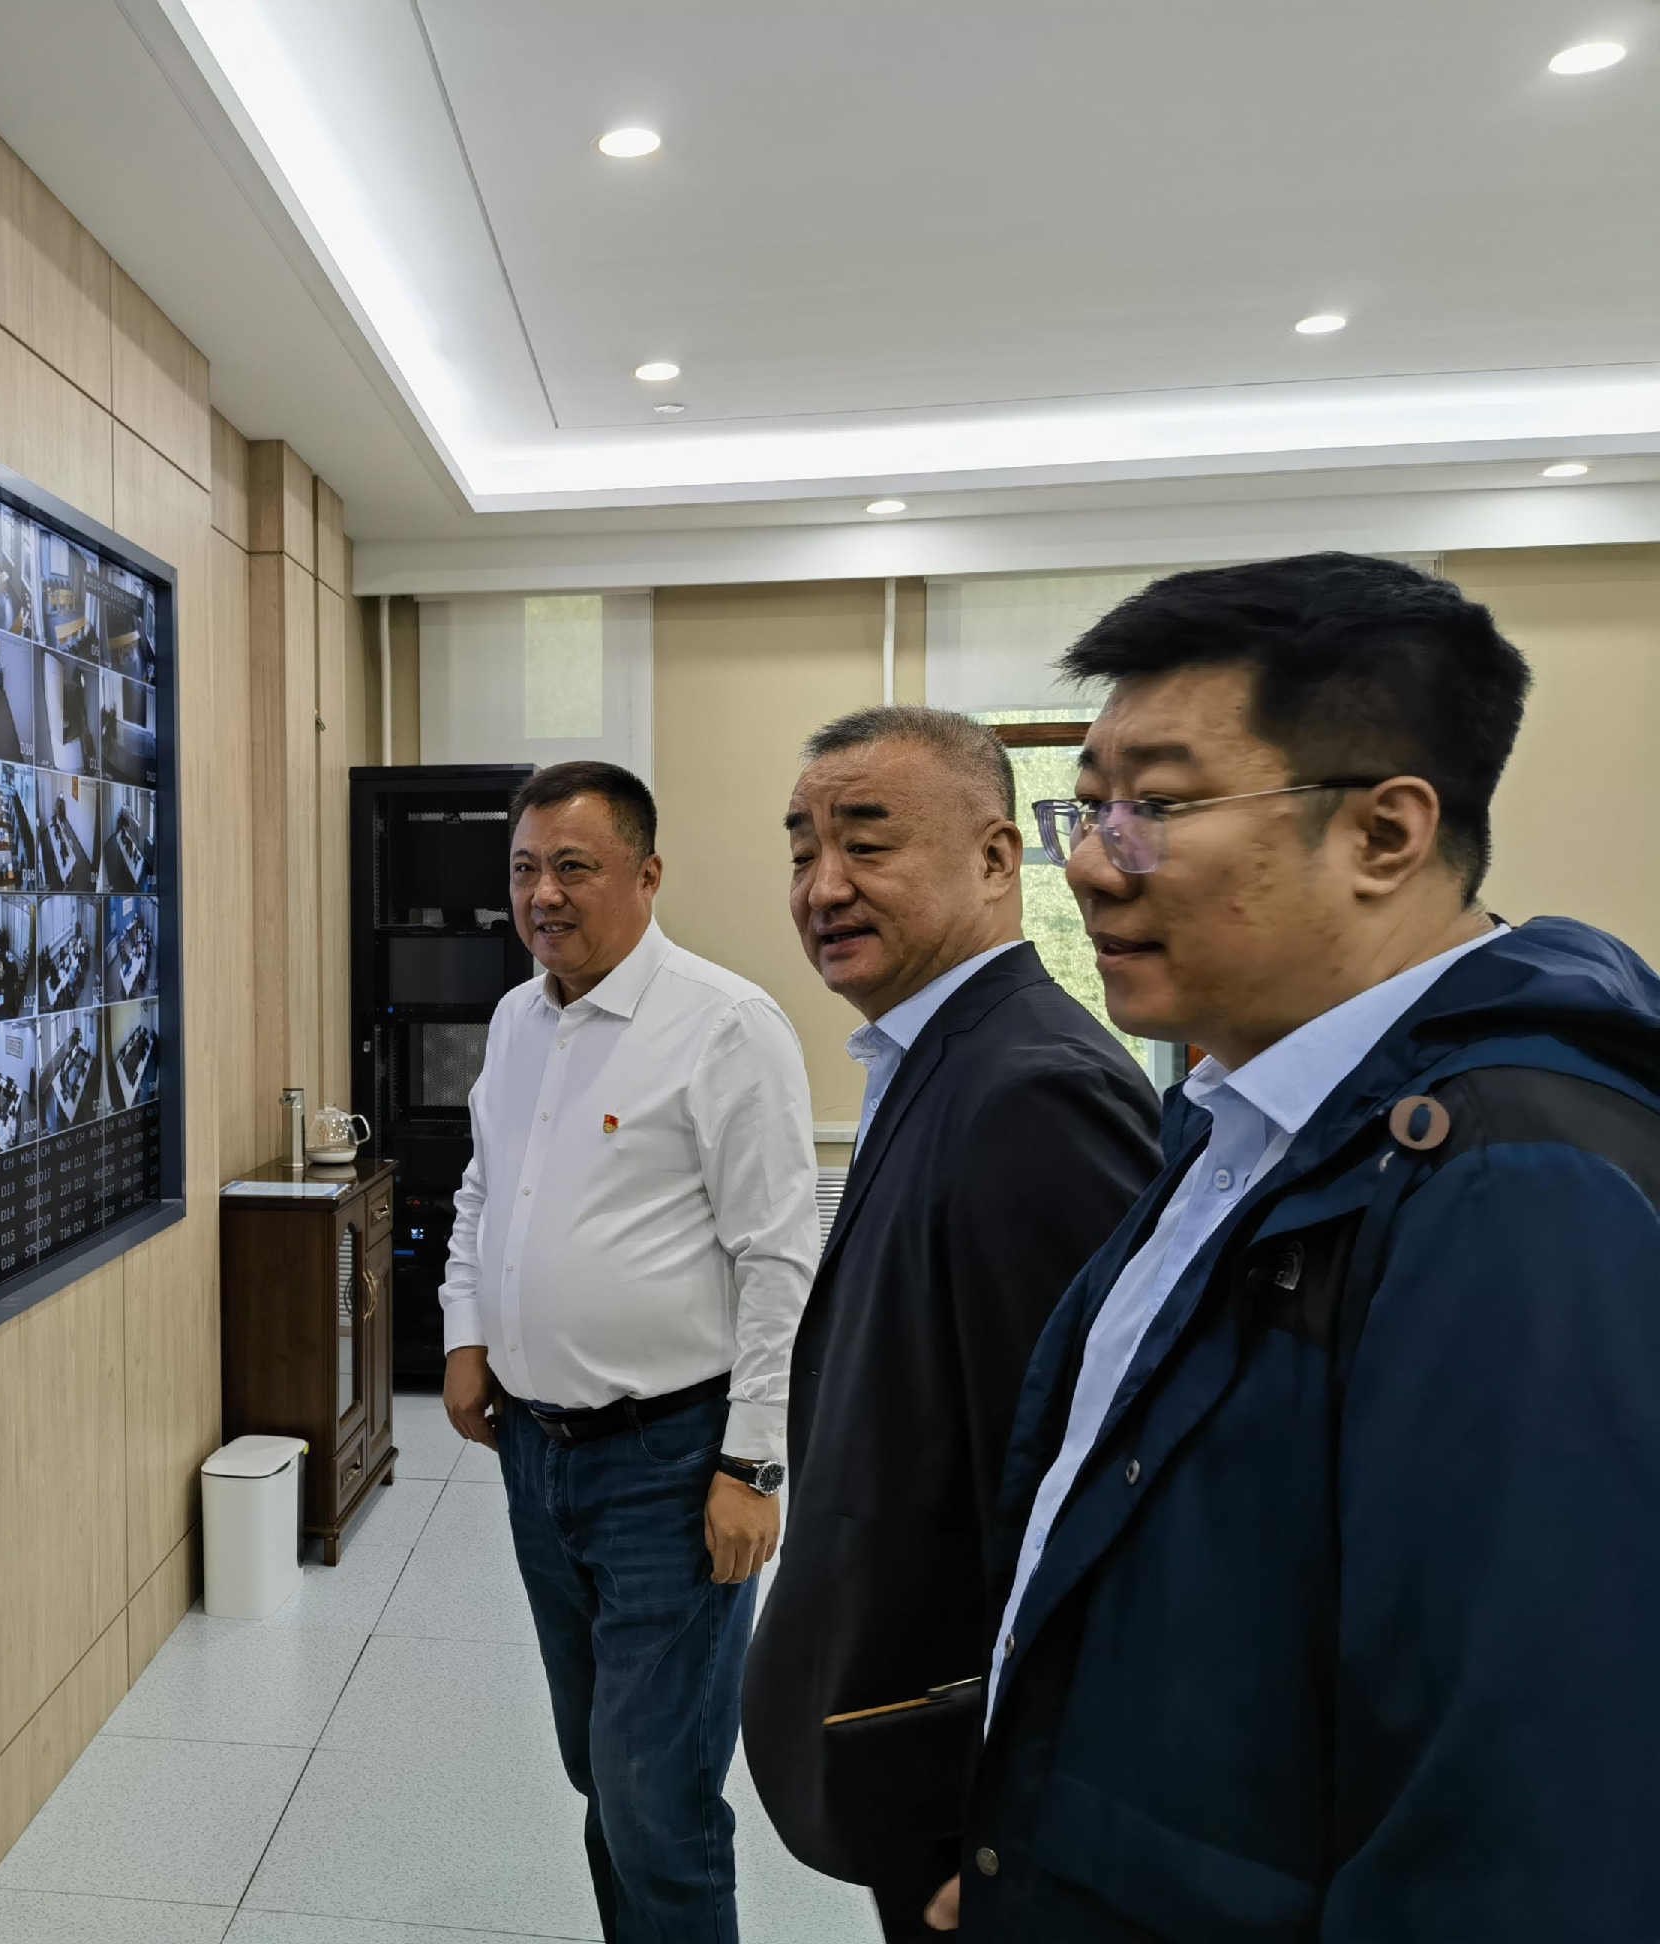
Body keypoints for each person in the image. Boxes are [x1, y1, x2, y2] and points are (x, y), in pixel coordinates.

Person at [959, 553, 1660, 1939]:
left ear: (1384, 835)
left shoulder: (1512, 1189)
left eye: (1156, 809)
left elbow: (1516, 1820)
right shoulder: (1243, 1111)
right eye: (1087, 808)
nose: (1089, 862)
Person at [741, 709, 1161, 1939]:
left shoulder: (1034, 1091)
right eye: (804, 850)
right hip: (910, 1734)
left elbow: (1090, 1501)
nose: (824, 887)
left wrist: (1025, 1816)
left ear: (995, 858)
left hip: (973, 1778)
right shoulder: (931, 1055)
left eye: (867, 845)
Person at [440, 759, 819, 1944]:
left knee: (658, 1798)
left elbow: (778, 1259)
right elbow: (485, 1191)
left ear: (648, 876)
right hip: (536, 1456)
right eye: (524, 869)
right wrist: (467, 1332)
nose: (543, 895)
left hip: (671, 1461)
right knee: (598, 1768)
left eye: (574, 867)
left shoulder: (724, 1025)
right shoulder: (518, 1018)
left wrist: (752, 1464)